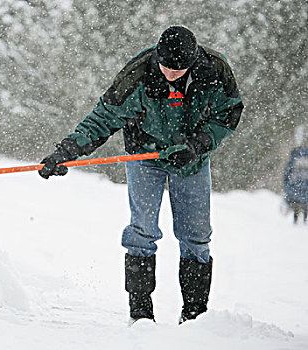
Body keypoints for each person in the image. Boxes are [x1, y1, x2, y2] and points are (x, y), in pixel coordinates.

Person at [38, 26, 244, 324]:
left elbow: (230, 112)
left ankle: (195, 317)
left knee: (196, 238)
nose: (171, 75)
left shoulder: (214, 71)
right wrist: (65, 152)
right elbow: (101, 119)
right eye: (166, 68)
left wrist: (197, 145)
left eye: (179, 70)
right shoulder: (136, 77)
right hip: (144, 155)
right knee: (142, 231)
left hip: (191, 160)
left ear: (193, 61)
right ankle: (141, 314)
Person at [283, 146, 308, 224]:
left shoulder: (293, 159)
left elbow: (286, 177)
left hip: (294, 191)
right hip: (305, 192)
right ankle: (304, 220)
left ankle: (296, 220)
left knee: (296, 209)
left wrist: (288, 191)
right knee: (304, 209)